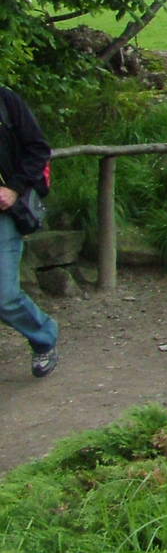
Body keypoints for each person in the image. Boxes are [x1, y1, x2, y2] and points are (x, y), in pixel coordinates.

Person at [0, 87, 58, 378]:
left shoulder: (5, 101)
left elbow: (38, 148)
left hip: (4, 212)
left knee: (4, 296)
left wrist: (14, 188)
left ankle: (44, 337)